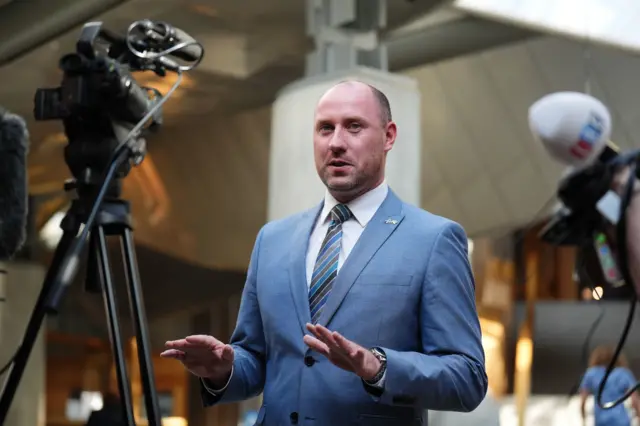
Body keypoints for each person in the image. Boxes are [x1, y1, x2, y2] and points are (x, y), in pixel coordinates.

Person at [161, 80, 488, 425]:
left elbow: (467, 378)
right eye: (325, 129)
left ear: (389, 136)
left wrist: (379, 367)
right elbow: (256, 361)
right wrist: (223, 369)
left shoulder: (433, 239)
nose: (336, 143)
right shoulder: (272, 240)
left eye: (354, 127)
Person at [579, 346, 640, 426]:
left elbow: (583, 401)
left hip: (601, 421)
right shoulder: (623, 373)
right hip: (621, 420)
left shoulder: (591, 374)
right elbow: (635, 400)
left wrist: (584, 421)